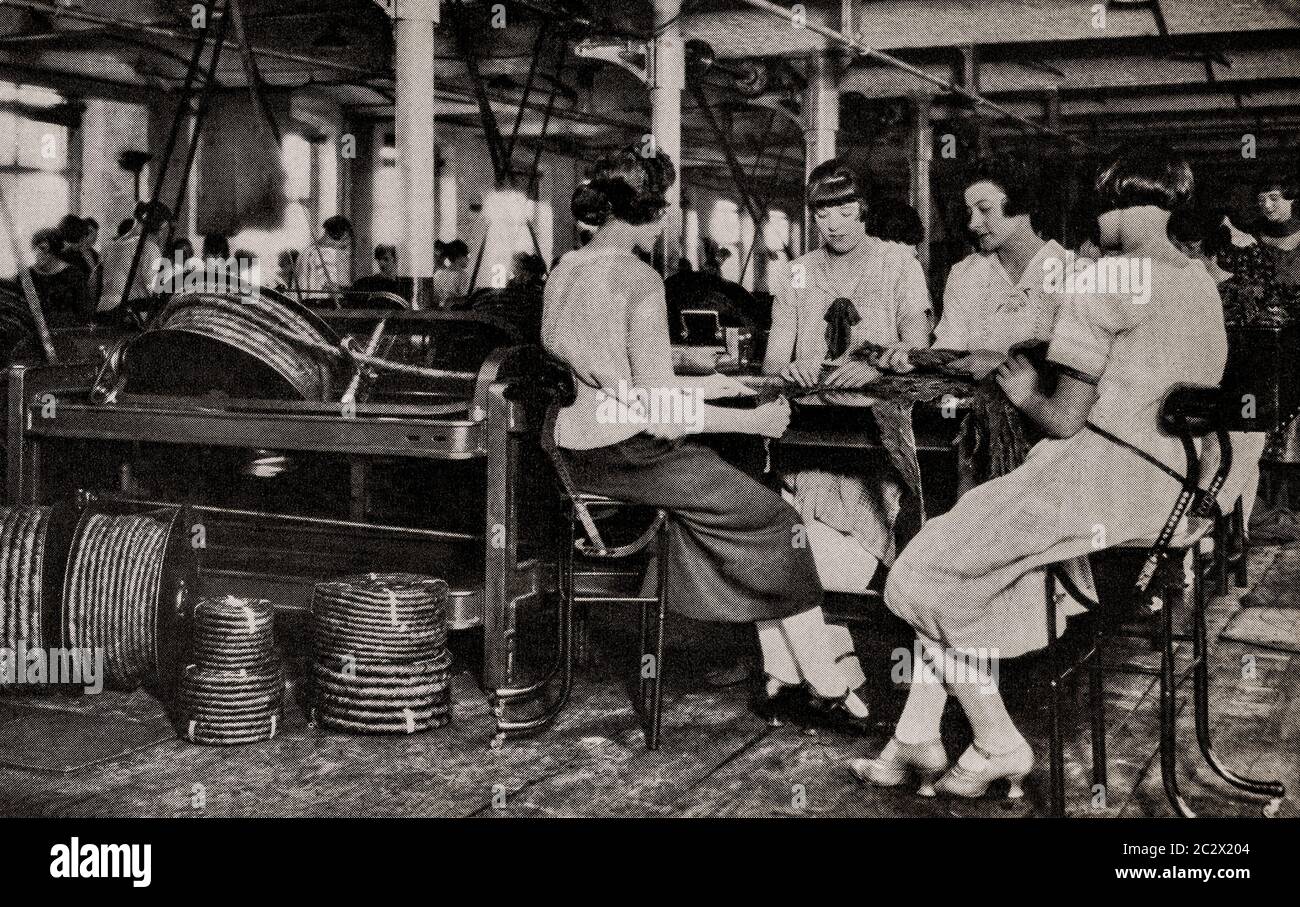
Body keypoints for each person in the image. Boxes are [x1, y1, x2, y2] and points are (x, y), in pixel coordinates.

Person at [849, 146, 1228, 799]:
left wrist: (1025, 393)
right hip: (1171, 492)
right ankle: (918, 735)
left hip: (1095, 478)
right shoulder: (1198, 282)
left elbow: (1061, 419)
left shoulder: (1102, 281)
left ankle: (999, 742)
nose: (1094, 221)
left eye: (1101, 205)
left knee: (916, 574)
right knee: (970, 569)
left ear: (1121, 204)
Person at [542, 144, 871, 731]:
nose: (668, 217)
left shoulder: (568, 267)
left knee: (734, 514)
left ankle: (787, 676)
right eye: (665, 206)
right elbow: (663, 415)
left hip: (576, 454)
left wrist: (706, 373)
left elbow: (579, 350)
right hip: (633, 454)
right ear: (647, 212)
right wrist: (753, 419)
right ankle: (823, 686)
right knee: (781, 522)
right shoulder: (641, 280)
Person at [762, 159, 932, 596]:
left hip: (876, 434)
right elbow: (773, 362)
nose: (832, 225)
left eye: (844, 210)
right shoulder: (797, 271)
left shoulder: (898, 264)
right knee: (802, 533)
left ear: (864, 208)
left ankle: (863, 593)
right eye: (822, 213)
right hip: (810, 431)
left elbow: (918, 349)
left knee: (853, 529)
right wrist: (789, 368)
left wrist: (874, 367)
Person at [886, 155, 1069, 381]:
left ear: (1020, 205)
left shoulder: (1073, 272)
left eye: (984, 209)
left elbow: (1075, 373)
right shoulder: (965, 273)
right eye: (970, 212)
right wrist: (914, 358)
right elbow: (948, 351)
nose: (972, 224)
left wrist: (998, 363)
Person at [99, 200, 168, 312]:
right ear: (158, 229)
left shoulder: (110, 246)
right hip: (128, 316)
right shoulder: (149, 248)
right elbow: (155, 290)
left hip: (104, 311)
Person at [28, 228, 90, 327]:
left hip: (66, 332)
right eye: (36, 249)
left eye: (43, 249)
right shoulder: (28, 275)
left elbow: (84, 314)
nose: (38, 253)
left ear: (55, 251)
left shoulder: (74, 275)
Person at [1251, 167, 1300, 287]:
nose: (1267, 205)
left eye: (1274, 198)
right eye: (1261, 200)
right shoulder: (1253, 237)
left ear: (1290, 198)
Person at [294, 215, 353, 297]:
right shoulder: (326, 253)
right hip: (316, 305)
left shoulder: (306, 251)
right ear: (344, 237)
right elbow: (332, 288)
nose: (344, 250)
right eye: (344, 246)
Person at [432, 239, 470, 307]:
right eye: (466, 256)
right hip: (455, 312)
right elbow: (465, 298)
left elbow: (435, 297)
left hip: (439, 311)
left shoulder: (438, 274)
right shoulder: (463, 275)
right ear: (459, 257)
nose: (468, 259)